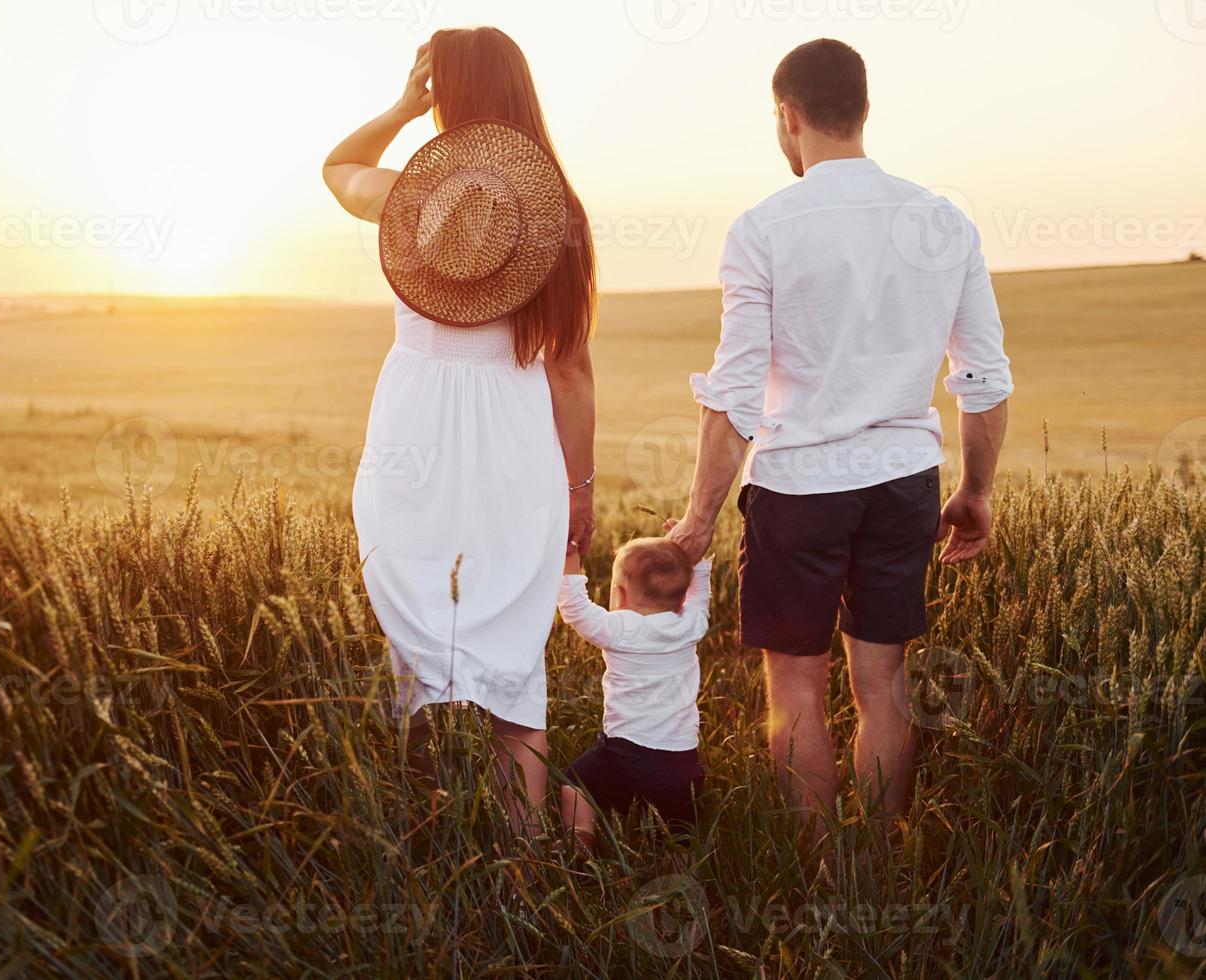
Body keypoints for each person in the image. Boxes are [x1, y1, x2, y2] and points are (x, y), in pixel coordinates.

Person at [667, 38, 1013, 823]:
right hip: (902, 483)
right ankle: (879, 875)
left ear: (788, 118)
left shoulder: (762, 229)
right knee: (883, 685)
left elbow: (734, 396)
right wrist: (975, 491)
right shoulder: (941, 220)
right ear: (861, 109)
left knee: (796, 692)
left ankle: (820, 880)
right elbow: (984, 380)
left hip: (799, 491)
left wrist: (695, 523)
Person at [322, 27, 598, 839]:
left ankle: (418, 856)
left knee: (409, 647)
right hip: (515, 448)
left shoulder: (410, 192)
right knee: (516, 672)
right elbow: (571, 370)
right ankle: (527, 875)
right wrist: (579, 490)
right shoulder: (558, 212)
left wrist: (405, 107)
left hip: (415, 438)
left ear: (446, 91)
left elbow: (335, 168)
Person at [557, 539, 712, 845]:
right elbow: (700, 597)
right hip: (681, 758)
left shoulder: (621, 629)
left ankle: (581, 838)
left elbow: (575, 609)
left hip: (625, 752)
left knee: (575, 783)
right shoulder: (692, 624)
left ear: (619, 594)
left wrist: (570, 558)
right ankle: (683, 864)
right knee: (681, 824)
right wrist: (698, 561)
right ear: (681, 597)